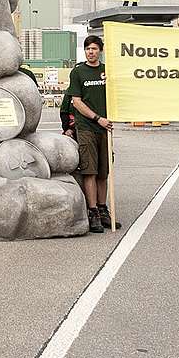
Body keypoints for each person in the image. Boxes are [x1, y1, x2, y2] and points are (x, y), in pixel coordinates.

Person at [66, 35, 121, 233]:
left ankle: (103, 208)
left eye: (95, 49)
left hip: (106, 128)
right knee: (90, 170)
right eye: (88, 48)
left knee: (103, 171)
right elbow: (77, 102)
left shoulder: (107, 71)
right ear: (85, 51)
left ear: (101, 51)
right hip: (88, 126)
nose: (91, 52)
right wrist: (97, 118)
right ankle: (92, 211)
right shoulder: (78, 72)